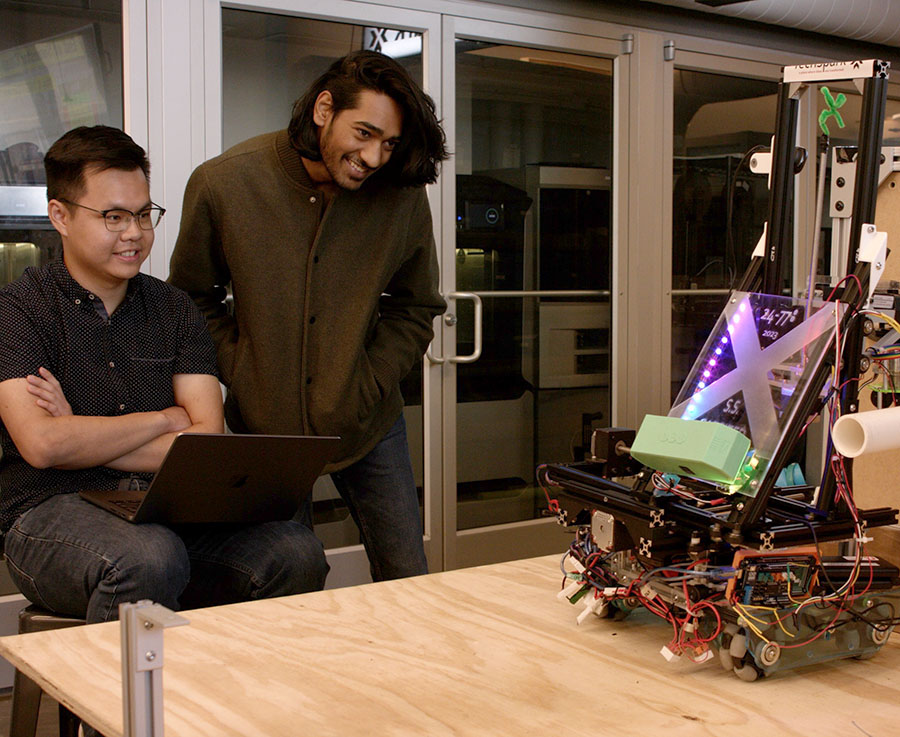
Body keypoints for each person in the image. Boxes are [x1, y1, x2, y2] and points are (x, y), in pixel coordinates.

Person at [0, 126, 328, 625]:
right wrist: (164, 418)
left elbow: (205, 440)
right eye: (113, 216)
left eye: (143, 213)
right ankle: (120, 705)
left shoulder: (174, 308)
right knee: (149, 558)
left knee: (293, 549)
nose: (134, 232)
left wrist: (81, 433)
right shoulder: (19, 309)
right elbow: (44, 446)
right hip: (47, 512)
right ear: (60, 216)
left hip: (161, 509)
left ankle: (231, 698)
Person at [169, 50, 448, 580]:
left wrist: (370, 379)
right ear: (324, 109)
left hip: (369, 424)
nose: (374, 157)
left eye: (388, 143)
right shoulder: (223, 183)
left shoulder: (402, 197)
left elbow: (417, 306)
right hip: (267, 434)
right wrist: (243, 366)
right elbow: (188, 299)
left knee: (409, 574)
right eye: (363, 133)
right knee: (289, 578)